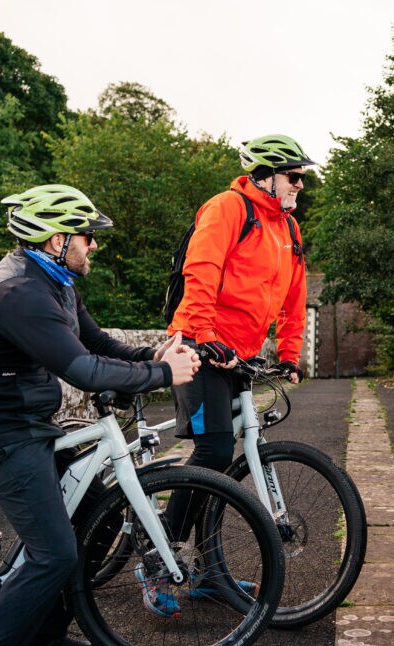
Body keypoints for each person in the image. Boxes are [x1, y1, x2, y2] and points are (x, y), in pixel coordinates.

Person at [0, 184, 200, 646]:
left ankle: (40, 640)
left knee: (93, 517)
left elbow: (97, 341)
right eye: (86, 235)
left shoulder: (55, 281)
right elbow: (83, 369)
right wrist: (164, 376)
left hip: (25, 424)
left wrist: (152, 357)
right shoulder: (20, 294)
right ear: (56, 239)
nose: (94, 245)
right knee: (52, 554)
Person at [134, 135, 312, 617]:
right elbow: (202, 270)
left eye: (302, 176)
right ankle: (158, 560)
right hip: (198, 346)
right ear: (264, 175)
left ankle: (209, 572)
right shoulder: (229, 207)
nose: (300, 183)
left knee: (221, 456)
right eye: (292, 175)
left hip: (238, 355)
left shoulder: (289, 229)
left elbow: (294, 298)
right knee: (212, 449)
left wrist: (290, 353)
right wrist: (203, 334)